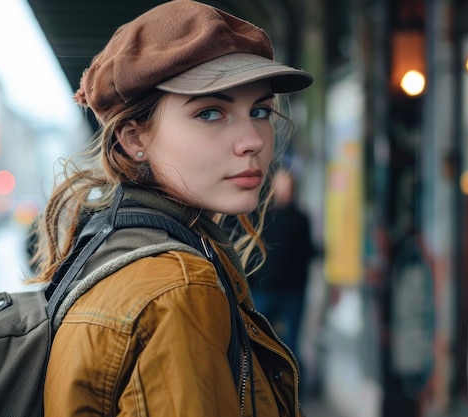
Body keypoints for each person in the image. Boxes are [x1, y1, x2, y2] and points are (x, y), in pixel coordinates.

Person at [29, 1, 313, 415]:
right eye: (210, 112)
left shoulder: (112, 245)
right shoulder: (178, 289)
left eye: (259, 111)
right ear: (133, 139)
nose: (252, 139)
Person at [249, 169, 316, 392]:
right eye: (279, 185)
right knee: (257, 344)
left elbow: (307, 253)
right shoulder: (262, 216)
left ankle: (291, 395)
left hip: (292, 292)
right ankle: (260, 391)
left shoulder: (301, 218)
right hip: (264, 289)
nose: (283, 190)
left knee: (292, 345)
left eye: (286, 185)